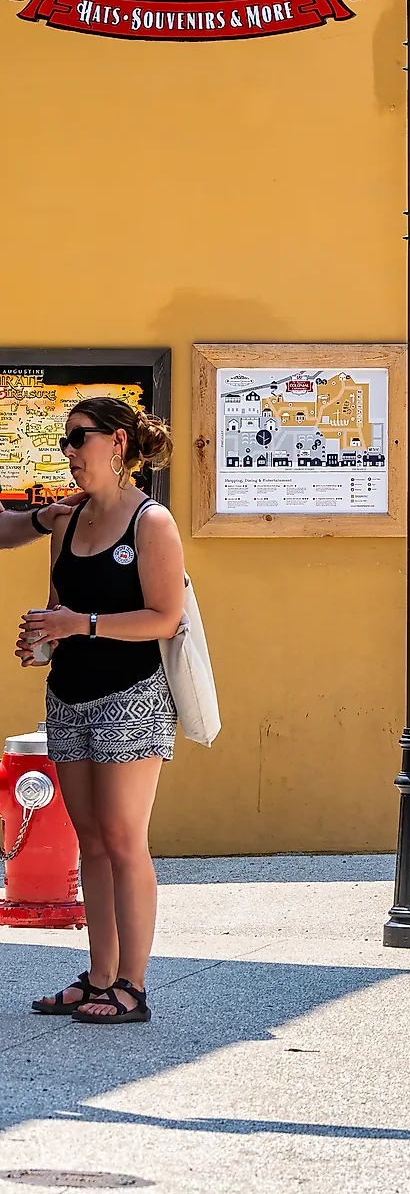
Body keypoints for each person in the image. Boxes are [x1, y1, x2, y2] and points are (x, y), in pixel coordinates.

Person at [16, 398, 184, 1025]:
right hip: (69, 697)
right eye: (63, 442)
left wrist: (80, 623)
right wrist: (44, 640)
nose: (68, 453)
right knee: (88, 839)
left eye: (77, 439)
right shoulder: (66, 521)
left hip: (130, 697)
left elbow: (163, 618)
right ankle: (99, 976)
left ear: (116, 442)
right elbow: (61, 606)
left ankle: (133, 986)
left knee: (123, 837)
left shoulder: (152, 522)